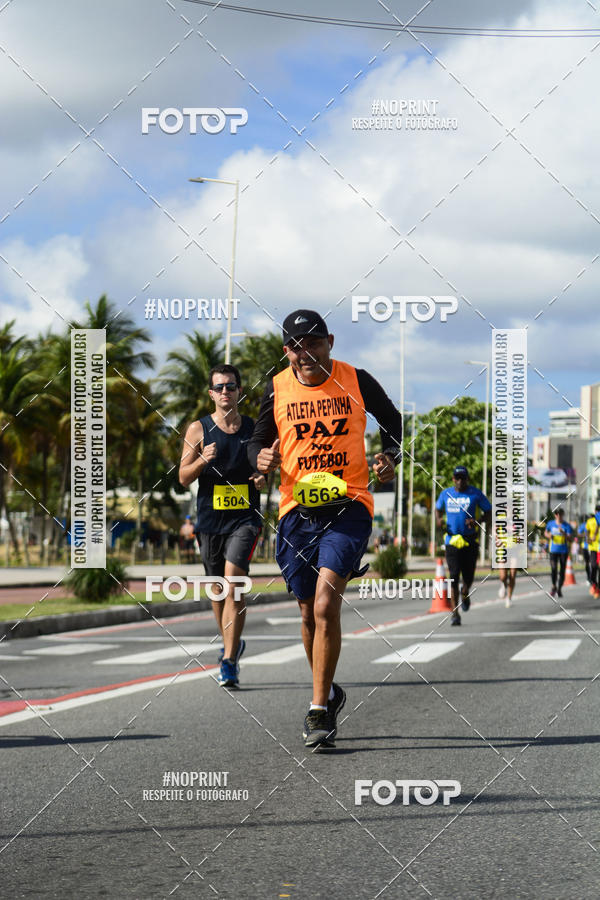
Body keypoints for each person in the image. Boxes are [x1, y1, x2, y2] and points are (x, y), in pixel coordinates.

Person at [248, 309, 402, 748]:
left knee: (324, 603)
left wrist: (390, 457)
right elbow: (256, 442)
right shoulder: (277, 388)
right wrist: (257, 459)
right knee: (305, 611)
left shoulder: (356, 379)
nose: (305, 353)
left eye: (313, 343)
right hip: (297, 510)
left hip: (349, 505)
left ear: (330, 342)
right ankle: (330, 691)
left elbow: (394, 423)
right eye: (296, 346)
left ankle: (318, 711)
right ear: (286, 352)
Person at [179, 363, 265, 688]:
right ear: (211, 393)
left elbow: (263, 468)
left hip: (245, 519)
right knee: (217, 590)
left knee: (234, 582)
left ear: (240, 391)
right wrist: (202, 459)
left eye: (231, 386)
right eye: (219, 387)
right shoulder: (198, 430)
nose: (225, 392)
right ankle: (232, 642)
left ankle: (228, 661)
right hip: (210, 521)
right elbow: (182, 478)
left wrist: (261, 477)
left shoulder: (254, 429)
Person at [435, 466, 492, 626]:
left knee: (468, 577)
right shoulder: (445, 494)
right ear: (453, 479)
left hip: (470, 541)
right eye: (457, 478)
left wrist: (478, 521)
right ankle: (455, 614)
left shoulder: (475, 493)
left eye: (463, 478)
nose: (460, 481)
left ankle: (465, 593)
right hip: (452, 542)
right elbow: (437, 510)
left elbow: (489, 511)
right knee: (453, 576)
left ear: (467, 479)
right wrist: (439, 521)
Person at [544, 507, 574, 598]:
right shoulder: (550, 524)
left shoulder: (567, 525)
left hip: (563, 551)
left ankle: (559, 588)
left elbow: (570, 539)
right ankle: (554, 586)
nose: (559, 516)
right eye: (557, 514)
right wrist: (549, 535)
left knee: (562, 571)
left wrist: (563, 533)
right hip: (553, 550)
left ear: (562, 515)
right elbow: (545, 533)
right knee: (553, 568)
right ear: (555, 515)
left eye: (560, 514)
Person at [585, 505, 600, 599]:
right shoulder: (590, 521)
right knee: (593, 566)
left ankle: (598, 588)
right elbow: (587, 532)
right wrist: (588, 539)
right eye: (597, 511)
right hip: (593, 548)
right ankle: (594, 583)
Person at [578, 516, 591, 585]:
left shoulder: (596, 524)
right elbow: (579, 533)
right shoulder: (584, 525)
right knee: (587, 563)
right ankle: (588, 578)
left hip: (594, 547)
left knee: (594, 564)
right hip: (586, 547)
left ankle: (593, 578)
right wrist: (585, 534)